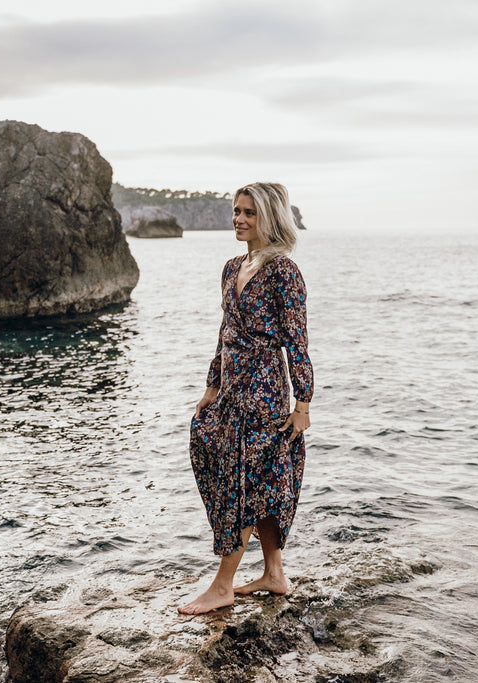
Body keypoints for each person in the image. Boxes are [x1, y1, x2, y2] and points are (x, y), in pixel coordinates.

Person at [178, 182, 313, 615]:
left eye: (249, 213)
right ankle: (274, 574)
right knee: (251, 475)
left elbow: (297, 342)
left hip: (264, 390)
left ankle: (222, 584)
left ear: (270, 218)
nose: (238, 219)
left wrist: (303, 404)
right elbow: (224, 333)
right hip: (231, 386)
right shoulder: (232, 266)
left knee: (247, 480)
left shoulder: (284, 272)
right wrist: (211, 385)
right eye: (236, 211)